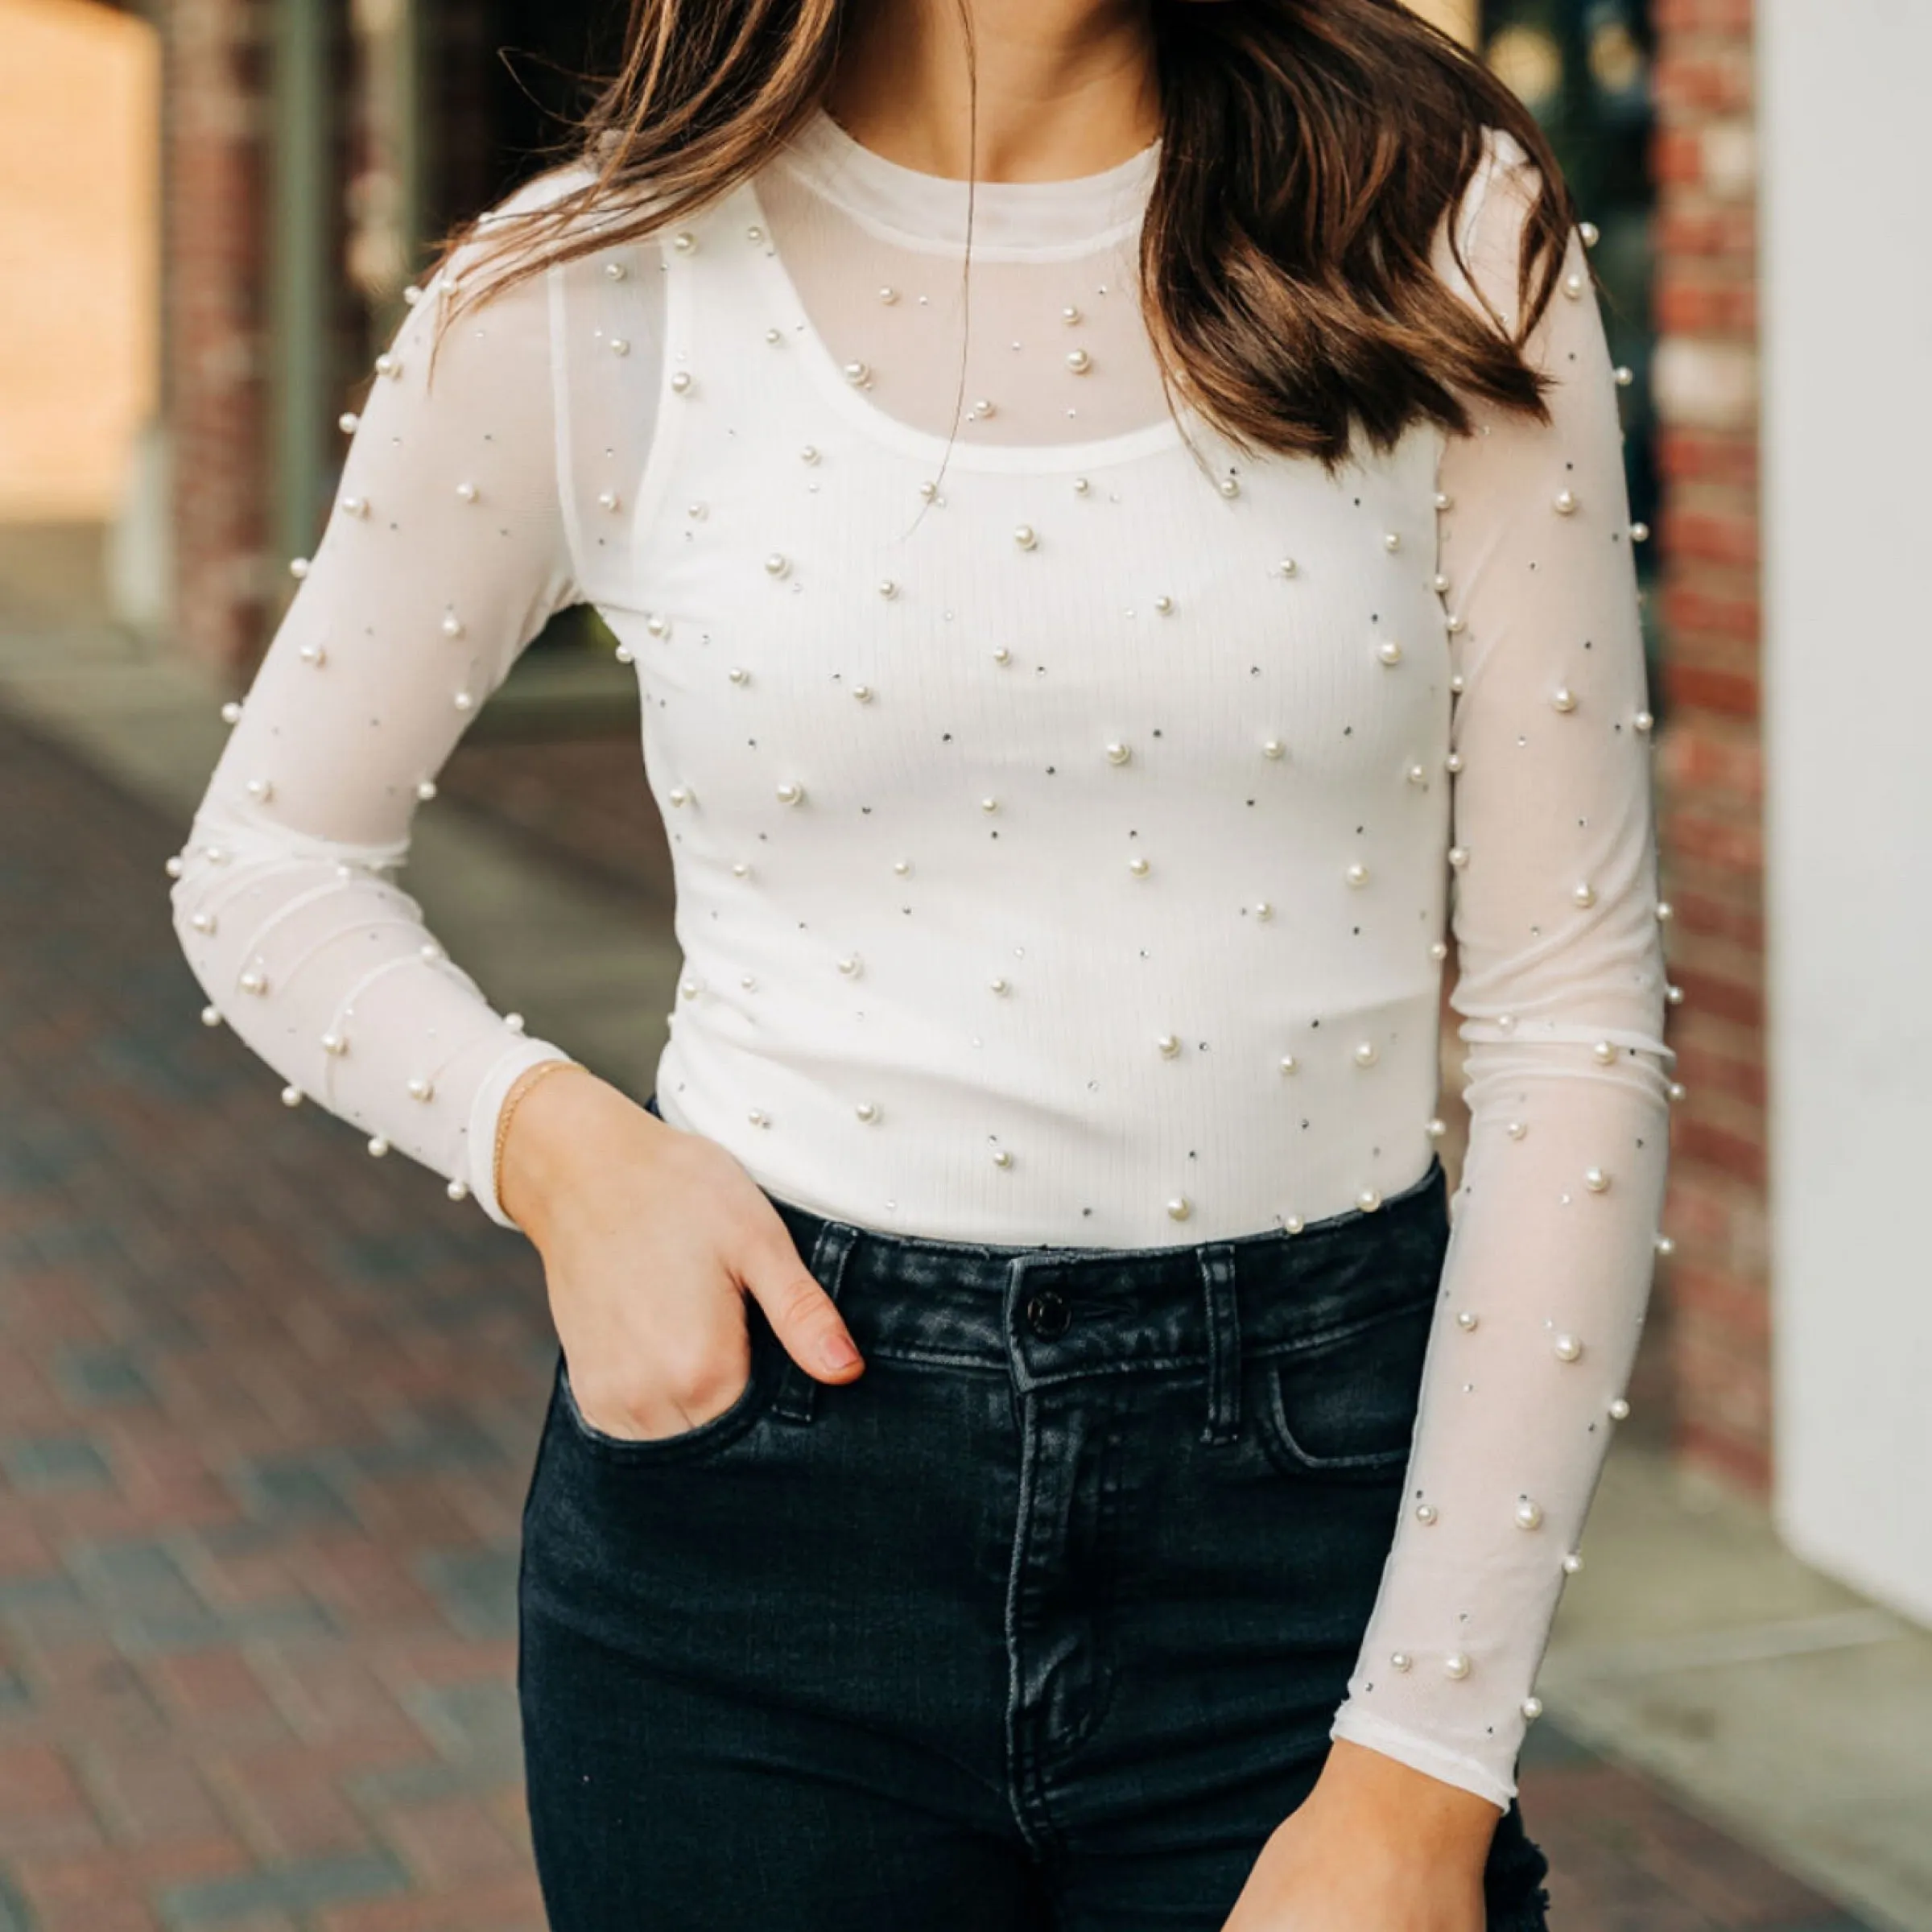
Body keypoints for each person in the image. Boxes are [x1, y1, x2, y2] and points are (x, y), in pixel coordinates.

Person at [169, 0, 1678, 1924]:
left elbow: (1572, 1024)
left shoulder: (1437, 221)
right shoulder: (579, 295)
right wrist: (559, 1153)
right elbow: (269, 862)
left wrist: (1423, 1772)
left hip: (1307, 1534)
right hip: (758, 1531)